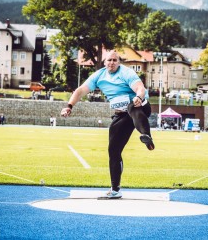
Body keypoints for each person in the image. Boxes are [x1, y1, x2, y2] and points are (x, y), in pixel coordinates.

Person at [60, 50, 154, 199]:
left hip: (140, 107)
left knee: (131, 107)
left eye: (114, 60)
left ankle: (146, 135)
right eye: (109, 60)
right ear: (104, 62)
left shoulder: (126, 73)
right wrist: (69, 106)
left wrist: (138, 97)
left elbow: (140, 88)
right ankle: (115, 189)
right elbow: (80, 90)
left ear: (119, 62)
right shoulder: (99, 75)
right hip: (121, 115)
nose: (111, 63)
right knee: (113, 150)